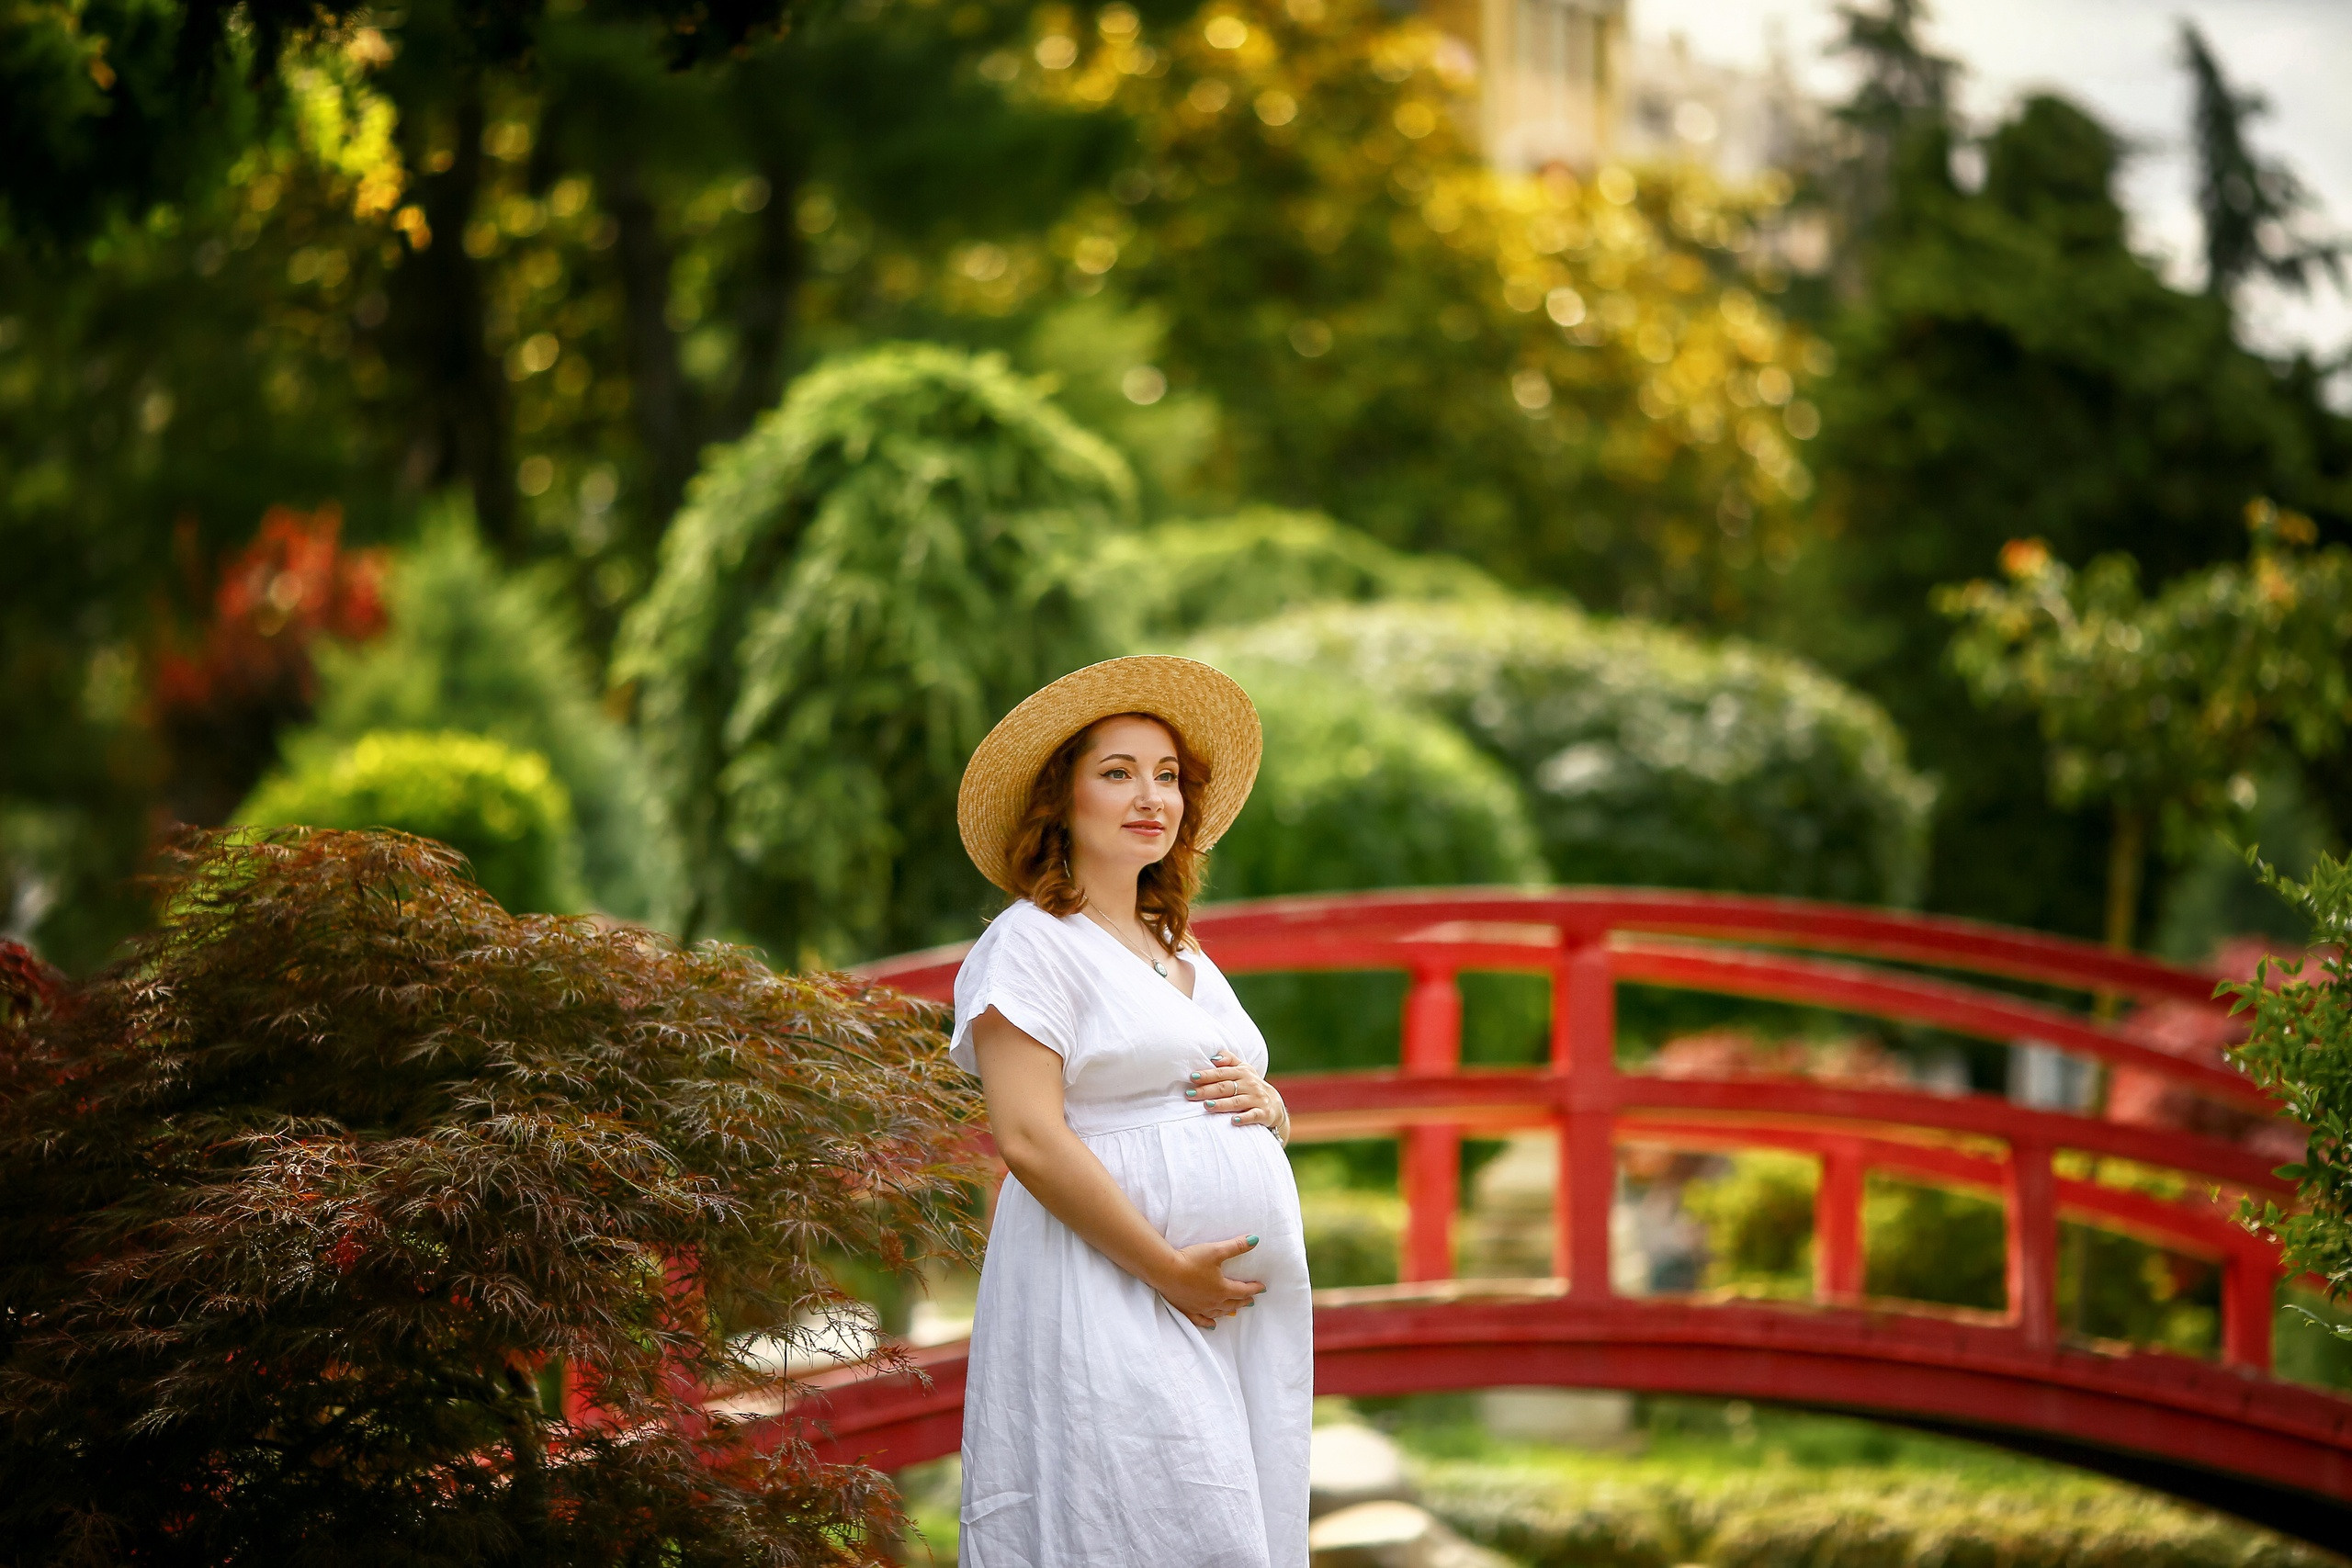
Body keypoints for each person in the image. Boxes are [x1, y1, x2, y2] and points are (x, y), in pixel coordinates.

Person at [945, 654, 1310, 1568]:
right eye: (1117, 774)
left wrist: (1271, 1107)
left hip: (1223, 1308)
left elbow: (1214, 1084)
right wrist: (1169, 1270)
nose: (1151, 797)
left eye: (1167, 776)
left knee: (1234, 1523)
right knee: (1158, 1525)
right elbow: (1029, 1137)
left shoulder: (1172, 940)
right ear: (1058, 801)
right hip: (1109, 1280)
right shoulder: (1029, 945)